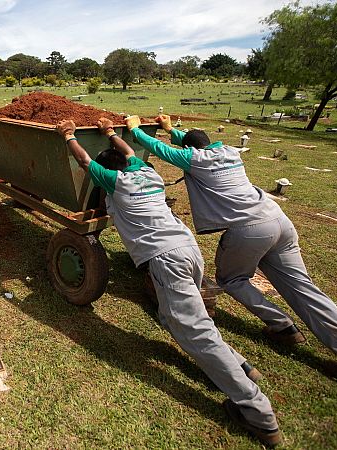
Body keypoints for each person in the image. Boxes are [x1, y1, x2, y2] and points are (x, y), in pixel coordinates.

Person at [55, 117, 283, 446]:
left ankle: (257, 412)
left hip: (167, 258)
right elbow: (129, 151)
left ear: (112, 174)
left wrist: (68, 136)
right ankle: (242, 366)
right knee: (174, 317)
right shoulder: (148, 173)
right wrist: (109, 134)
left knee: (193, 331)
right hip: (189, 249)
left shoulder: (115, 183)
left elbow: (84, 160)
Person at [127, 114, 337, 382]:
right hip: (278, 221)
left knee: (231, 279)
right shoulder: (230, 152)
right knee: (305, 289)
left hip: (250, 230)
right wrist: (171, 129)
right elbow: (193, 143)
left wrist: (136, 131)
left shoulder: (195, 159)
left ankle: (282, 325)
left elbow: (162, 150)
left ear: (191, 150)